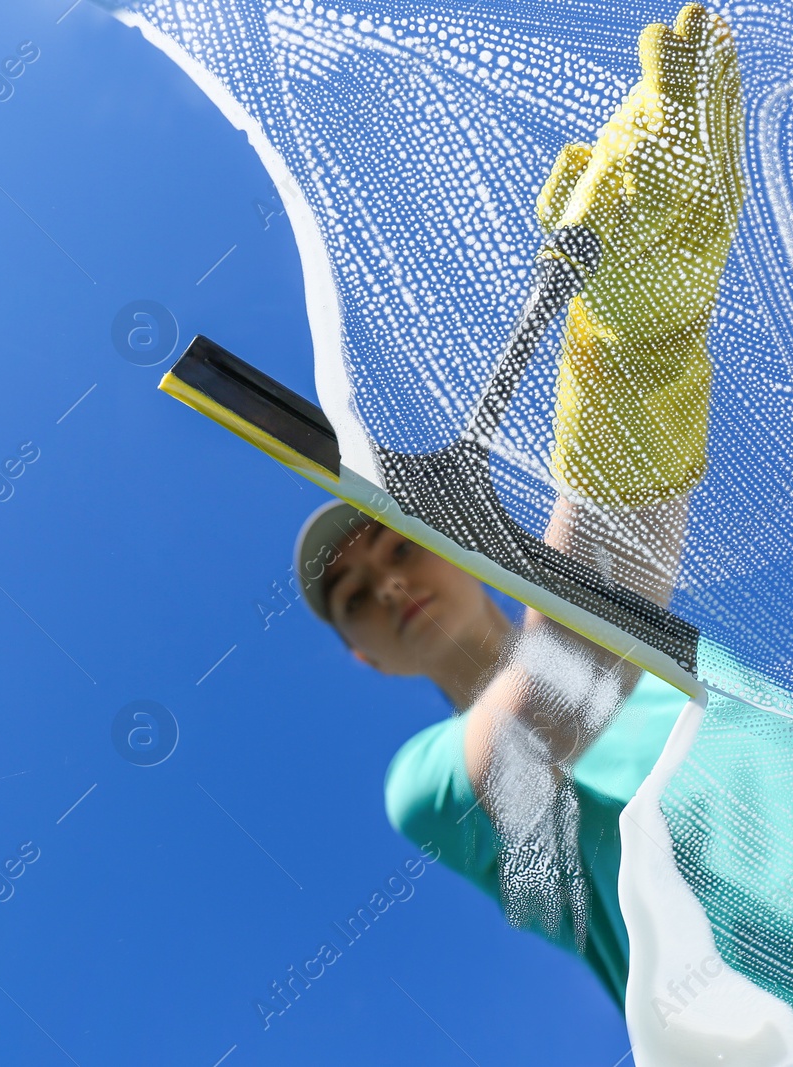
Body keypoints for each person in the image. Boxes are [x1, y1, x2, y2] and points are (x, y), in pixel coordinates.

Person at [293, 2, 745, 1012]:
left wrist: (643, 327)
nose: (385, 580)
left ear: (454, 551)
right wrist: (630, 345)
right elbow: (568, 688)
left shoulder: (699, 680)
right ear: (365, 656)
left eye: (386, 548)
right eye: (354, 597)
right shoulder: (434, 794)